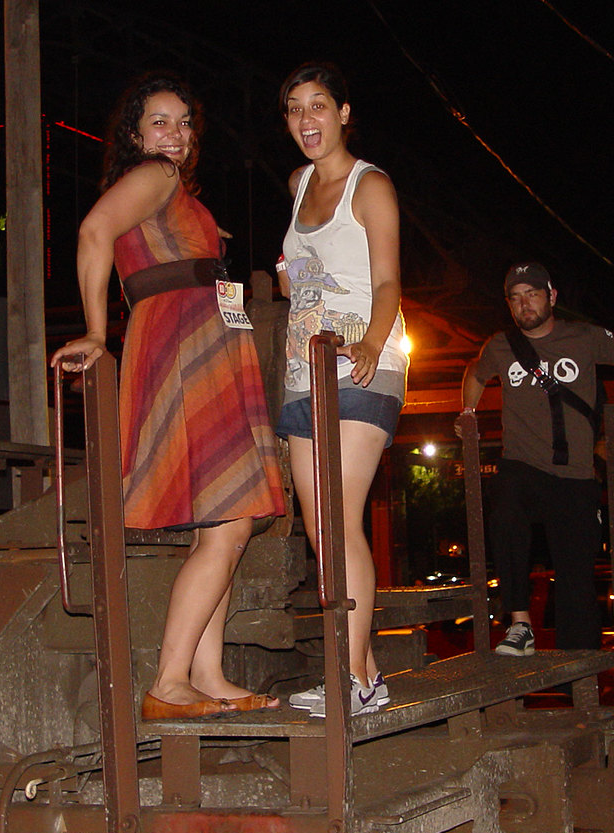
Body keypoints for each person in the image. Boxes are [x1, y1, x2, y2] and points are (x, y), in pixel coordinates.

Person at [50, 72, 285, 722]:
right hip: (184, 342)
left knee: (223, 518)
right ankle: (170, 681)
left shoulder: (173, 189)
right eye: (160, 122)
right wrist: (95, 332)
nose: (176, 134)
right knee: (230, 520)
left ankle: (204, 673)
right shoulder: (154, 174)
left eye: (184, 123)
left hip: (202, 340)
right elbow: (93, 231)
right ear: (134, 133)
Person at [274, 62, 406, 717]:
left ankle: (347, 676)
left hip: (360, 365)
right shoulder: (298, 184)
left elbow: (386, 281)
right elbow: (298, 274)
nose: (307, 119)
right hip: (303, 370)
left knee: (338, 517)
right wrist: (287, 273)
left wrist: (373, 343)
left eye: (319, 104)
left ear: (344, 113)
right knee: (319, 529)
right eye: (295, 108)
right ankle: (368, 677)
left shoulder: (370, 184)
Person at [460, 262, 614, 655]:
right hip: (524, 466)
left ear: (552, 297)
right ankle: (520, 624)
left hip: (575, 475)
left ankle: (579, 669)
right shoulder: (501, 345)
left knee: (575, 576)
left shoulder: (582, 337)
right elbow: (476, 374)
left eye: (532, 294)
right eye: (516, 298)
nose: (524, 304)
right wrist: (467, 412)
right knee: (506, 504)